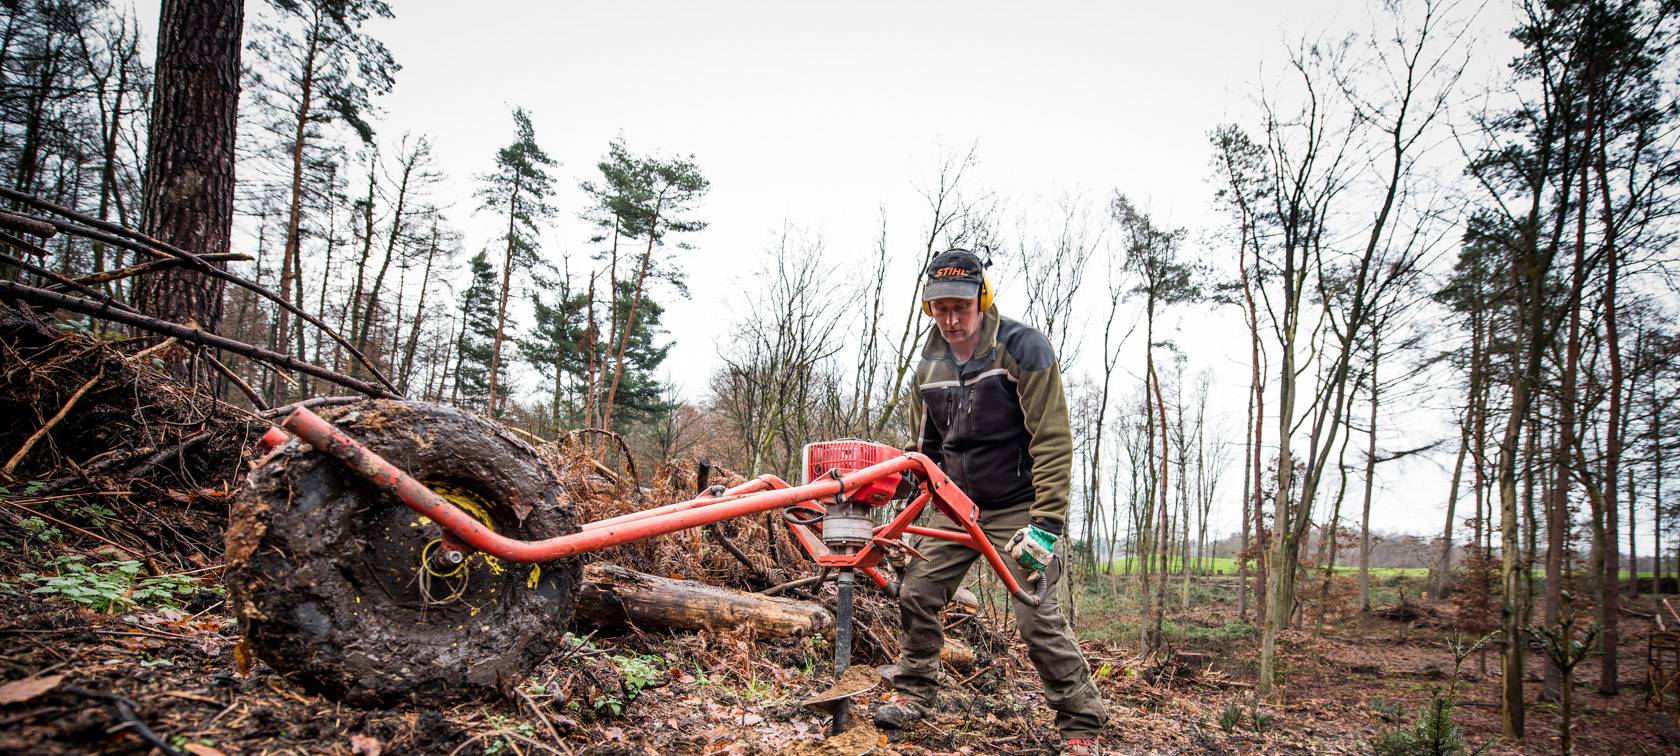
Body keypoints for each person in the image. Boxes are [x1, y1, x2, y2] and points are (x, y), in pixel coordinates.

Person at [873, 249, 1107, 755]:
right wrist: (909, 502)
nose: (952, 320)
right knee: (917, 591)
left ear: (982, 298)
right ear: (927, 309)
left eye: (960, 307)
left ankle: (1080, 722)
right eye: (940, 310)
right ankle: (914, 693)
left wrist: (1047, 522)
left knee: (1034, 611)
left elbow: (1051, 439)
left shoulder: (1024, 348)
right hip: (954, 503)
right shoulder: (928, 366)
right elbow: (926, 448)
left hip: (1018, 504)